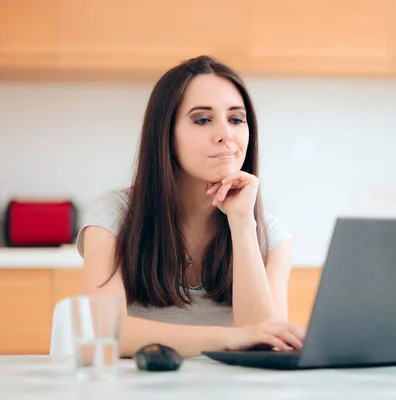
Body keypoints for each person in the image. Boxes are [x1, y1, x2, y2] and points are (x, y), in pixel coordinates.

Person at [76, 55, 305, 358]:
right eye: (202, 119)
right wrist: (231, 338)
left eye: (236, 119)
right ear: (166, 136)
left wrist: (241, 223)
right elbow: (104, 331)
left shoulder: (271, 235)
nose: (227, 134)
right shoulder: (115, 215)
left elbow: (265, 340)